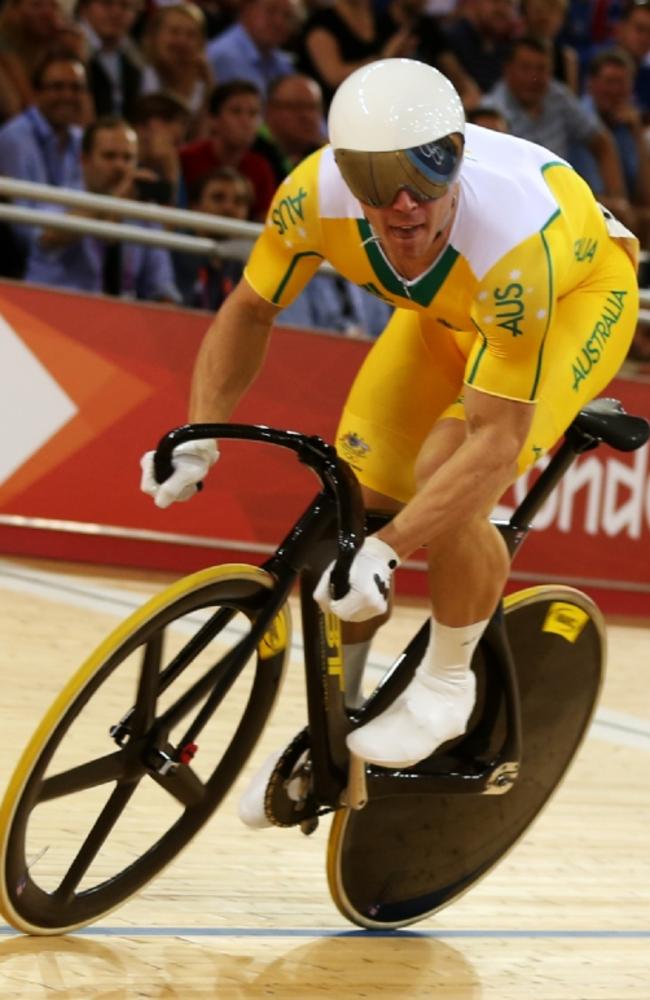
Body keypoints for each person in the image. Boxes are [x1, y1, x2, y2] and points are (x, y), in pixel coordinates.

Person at [140, 59, 638, 791]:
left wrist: (395, 548)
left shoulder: (512, 239)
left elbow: (496, 442)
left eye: (424, 179)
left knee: (447, 473)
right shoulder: (311, 197)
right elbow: (250, 309)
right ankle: (336, 729)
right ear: (343, 172)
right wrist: (199, 431)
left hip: (570, 303)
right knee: (358, 501)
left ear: (458, 159)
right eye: (377, 184)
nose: (403, 205)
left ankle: (446, 682)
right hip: (444, 315)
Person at [25, 115, 180, 301]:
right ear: (85, 160)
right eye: (109, 156)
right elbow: (50, 236)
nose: (120, 166)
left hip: (120, 320)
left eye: (128, 158)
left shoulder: (143, 212)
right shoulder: (61, 197)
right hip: (52, 313)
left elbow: (162, 288)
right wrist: (114, 201)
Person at [488, 35, 634, 228]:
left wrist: (617, 197)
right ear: (508, 70)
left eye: (542, 69)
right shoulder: (492, 111)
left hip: (565, 197)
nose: (535, 77)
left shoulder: (557, 95)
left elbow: (601, 141)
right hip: (519, 205)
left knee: (622, 212)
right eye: (526, 68)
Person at [0, 51, 88, 250]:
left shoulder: (81, 140)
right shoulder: (15, 137)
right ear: (37, 92)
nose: (68, 96)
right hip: (24, 263)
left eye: (76, 88)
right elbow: (25, 228)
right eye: (57, 87)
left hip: (70, 249)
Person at [574, 47, 650, 244]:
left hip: (621, 213)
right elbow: (595, 198)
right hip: (583, 215)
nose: (616, 90)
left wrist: (638, 134)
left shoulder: (625, 123)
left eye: (622, 83)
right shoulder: (580, 124)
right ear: (591, 84)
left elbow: (645, 195)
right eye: (610, 82)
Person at [179, 80, 277, 220]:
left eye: (253, 114)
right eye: (236, 112)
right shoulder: (186, 159)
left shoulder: (261, 167)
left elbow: (265, 222)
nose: (246, 122)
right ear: (213, 119)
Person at [172, 165, 252, 309]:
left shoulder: (250, 265)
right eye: (218, 198)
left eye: (239, 202)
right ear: (195, 206)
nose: (229, 208)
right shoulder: (175, 252)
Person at [140, 3, 213, 136]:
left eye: (190, 35)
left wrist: (210, 87)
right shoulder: (139, 76)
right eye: (174, 32)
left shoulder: (202, 85)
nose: (182, 41)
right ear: (154, 37)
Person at [206, 0, 299, 99]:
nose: (279, 22)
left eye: (288, 16)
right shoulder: (221, 57)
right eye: (271, 11)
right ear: (247, 9)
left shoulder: (284, 64)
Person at [77, 0, 144, 120]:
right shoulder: (68, 47)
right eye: (107, 3)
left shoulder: (136, 57)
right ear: (84, 8)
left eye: (125, 6)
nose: (116, 12)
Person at [254, 72, 325, 184]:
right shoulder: (254, 153)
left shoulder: (327, 159)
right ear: (270, 111)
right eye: (297, 106)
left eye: (313, 107)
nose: (307, 116)